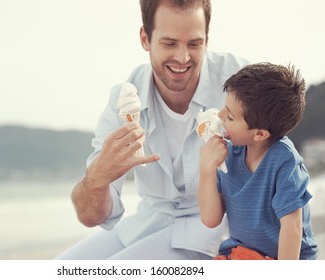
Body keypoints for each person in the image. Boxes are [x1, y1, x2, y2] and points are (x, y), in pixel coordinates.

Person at [56, 0, 249, 260]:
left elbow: (280, 160)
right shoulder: (122, 100)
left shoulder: (240, 80)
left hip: (219, 228)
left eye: (194, 43)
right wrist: (98, 178)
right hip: (151, 221)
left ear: (206, 38)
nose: (183, 58)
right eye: (169, 43)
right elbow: (90, 216)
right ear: (145, 38)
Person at [198, 62, 318, 260]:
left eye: (229, 116)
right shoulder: (228, 153)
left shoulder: (285, 162)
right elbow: (211, 219)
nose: (219, 116)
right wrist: (206, 168)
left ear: (260, 134)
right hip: (240, 253)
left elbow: (292, 227)